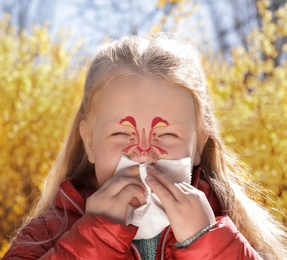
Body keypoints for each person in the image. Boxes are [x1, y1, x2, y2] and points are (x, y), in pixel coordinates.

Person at [3, 35, 286, 260]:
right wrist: (96, 238)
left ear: (199, 143)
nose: (143, 151)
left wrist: (208, 243)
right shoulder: (50, 230)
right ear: (89, 141)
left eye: (166, 134)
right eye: (120, 133)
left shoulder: (233, 227)